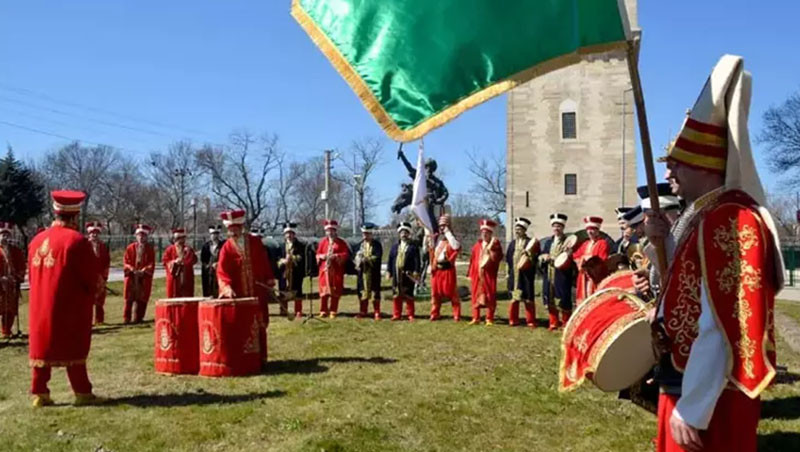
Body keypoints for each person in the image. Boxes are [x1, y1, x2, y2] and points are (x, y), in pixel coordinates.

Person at [635, 55, 783, 452]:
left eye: (677, 163)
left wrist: (694, 406)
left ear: (704, 162)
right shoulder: (706, 216)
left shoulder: (729, 219)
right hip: (686, 380)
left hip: (710, 394)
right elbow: (686, 287)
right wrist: (661, 241)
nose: (671, 174)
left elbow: (723, 321)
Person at [27, 190, 102, 407]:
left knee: (42, 346)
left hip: (40, 304)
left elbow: (31, 278)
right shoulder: (77, 241)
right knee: (73, 345)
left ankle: (40, 393)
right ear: (76, 215)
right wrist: (95, 292)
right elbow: (91, 278)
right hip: (69, 306)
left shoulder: (36, 240)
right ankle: (82, 391)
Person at [217, 210, 276, 363]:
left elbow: (264, 261)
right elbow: (222, 270)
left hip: (257, 291)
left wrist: (269, 279)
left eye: (235, 228)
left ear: (241, 227)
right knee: (242, 325)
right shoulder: (227, 248)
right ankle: (244, 358)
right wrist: (226, 287)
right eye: (230, 229)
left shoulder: (255, 242)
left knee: (259, 323)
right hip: (240, 294)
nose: (232, 232)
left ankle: (261, 357)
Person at [538, 213, 575, 330]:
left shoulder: (567, 241)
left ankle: (565, 323)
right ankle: (553, 322)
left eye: (559, 226)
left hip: (562, 274)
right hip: (549, 273)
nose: (556, 228)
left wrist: (567, 255)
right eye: (554, 226)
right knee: (550, 298)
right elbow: (541, 255)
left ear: (563, 227)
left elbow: (571, 257)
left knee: (563, 298)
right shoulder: (549, 242)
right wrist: (543, 257)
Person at [467, 219, 503, 325]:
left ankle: (489, 318)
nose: (484, 234)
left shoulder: (495, 245)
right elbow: (472, 260)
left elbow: (498, 258)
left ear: (490, 233)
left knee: (490, 294)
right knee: (475, 294)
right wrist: (470, 273)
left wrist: (491, 251)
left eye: (486, 232)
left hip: (489, 274)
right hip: (477, 274)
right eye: (483, 233)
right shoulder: (477, 246)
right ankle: (476, 317)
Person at [506, 217, 538, 328]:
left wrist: (529, 255)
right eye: (516, 229)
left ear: (524, 230)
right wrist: (508, 272)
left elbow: (535, 257)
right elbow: (508, 258)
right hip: (514, 274)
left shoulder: (530, 242)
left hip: (526, 275)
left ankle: (530, 320)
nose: (517, 231)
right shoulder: (512, 243)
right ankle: (513, 319)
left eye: (520, 229)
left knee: (528, 298)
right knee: (514, 298)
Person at [429, 214, 461, 322]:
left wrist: (448, 232)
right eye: (441, 226)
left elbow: (456, 246)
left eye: (444, 225)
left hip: (448, 269)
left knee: (452, 293)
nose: (442, 228)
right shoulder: (437, 238)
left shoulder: (452, 238)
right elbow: (431, 251)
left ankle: (456, 314)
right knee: (435, 293)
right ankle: (435, 313)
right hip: (437, 269)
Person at [315, 220, 349, 318]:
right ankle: (323, 310)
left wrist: (336, 256)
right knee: (323, 291)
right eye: (328, 231)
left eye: (332, 230)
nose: (330, 232)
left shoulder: (341, 242)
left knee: (335, 289)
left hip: (336, 270)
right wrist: (321, 256)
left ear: (335, 231)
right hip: (324, 270)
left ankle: (333, 310)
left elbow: (345, 254)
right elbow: (317, 254)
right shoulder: (322, 242)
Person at [387, 222, 420, 321]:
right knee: (396, 294)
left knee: (408, 293)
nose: (403, 235)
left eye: (405, 232)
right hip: (396, 273)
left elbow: (417, 260)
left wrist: (416, 271)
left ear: (408, 233)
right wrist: (389, 271)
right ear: (399, 234)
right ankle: (397, 314)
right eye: (401, 233)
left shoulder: (413, 247)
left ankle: (410, 314)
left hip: (408, 274)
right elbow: (390, 259)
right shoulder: (394, 247)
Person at [572, 216, 609, 304]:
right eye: (588, 229)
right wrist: (580, 260)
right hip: (584, 277)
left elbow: (602, 260)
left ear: (597, 231)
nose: (590, 231)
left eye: (593, 229)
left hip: (594, 277)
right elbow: (576, 256)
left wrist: (588, 259)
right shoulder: (585, 243)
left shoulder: (602, 243)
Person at [123, 224, 155, 324]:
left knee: (142, 298)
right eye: (139, 236)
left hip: (143, 277)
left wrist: (144, 270)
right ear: (136, 236)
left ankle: (139, 318)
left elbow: (151, 263)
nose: (141, 238)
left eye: (143, 236)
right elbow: (126, 261)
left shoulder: (150, 249)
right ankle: (126, 318)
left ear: (146, 237)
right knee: (129, 298)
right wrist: (131, 269)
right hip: (132, 276)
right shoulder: (130, 248)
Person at [0, 222, 25, 338]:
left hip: (11, 286)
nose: (4, 237)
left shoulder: (16, 251)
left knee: (10, 310)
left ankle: (6, 330)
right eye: (2, 234)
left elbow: (21, 266)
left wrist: (16, 277)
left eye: (6, 235)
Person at [278, 222, 307, 320]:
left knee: (297, 290)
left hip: (296, 271)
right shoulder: (281, 245)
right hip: (284, 272)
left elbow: (302, 257)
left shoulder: (300, 245)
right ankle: (283, 309)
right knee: (282, 290)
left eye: (291, 233)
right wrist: (283, 261)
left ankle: (298, 310)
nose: (289, 235)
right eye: (287, 233)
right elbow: (277, 258)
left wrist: (292, 258)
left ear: (294, 234)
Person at [355, 222, 383, 320]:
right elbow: (354, 258)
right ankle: (363, 311)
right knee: (362, 291)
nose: (366, 236)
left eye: (368, 233)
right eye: (364, 233)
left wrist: (367, 259)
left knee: (375, 292)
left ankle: (377, 312)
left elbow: (378, 257)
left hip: (373, 272)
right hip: (362, 273)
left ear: (372, 234)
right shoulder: (359, 245)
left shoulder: (377, 245)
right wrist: (358, 260)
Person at [86, 221, 110, 325]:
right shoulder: (84, 245)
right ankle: (87, 320)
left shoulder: (103, 247)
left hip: (100, 276)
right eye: (92, 233)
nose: (94, 235)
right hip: (88, 276)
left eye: (96, 233)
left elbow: (107, 261)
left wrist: (104, 276)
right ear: (89, 234)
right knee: (87, 300)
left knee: (100, 299)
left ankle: (99, 320)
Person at [162, 228, 198, 298]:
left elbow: (193, 260)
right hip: (174, 280)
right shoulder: (170, 250)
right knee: (173, 297)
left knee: (187, 296)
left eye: (182, 239)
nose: (180, 241)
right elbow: (165, 261)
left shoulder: (188, 249)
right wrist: (174, 262)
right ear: (174, 240)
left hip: (186, 278)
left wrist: (188, 255)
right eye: (178, 239)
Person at [200, 225, 223, 297]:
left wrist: (218, 264)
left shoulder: (223, 245)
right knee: (209, 286)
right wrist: (209, 266)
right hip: (209, 271)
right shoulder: (206, 246)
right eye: (213, 234)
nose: (215, 236)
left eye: (216, 234)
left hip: (220, 269)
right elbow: (203, 259)